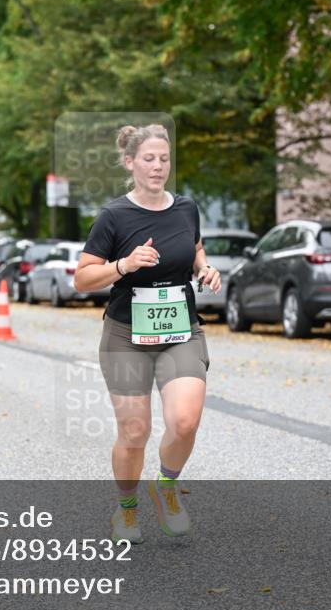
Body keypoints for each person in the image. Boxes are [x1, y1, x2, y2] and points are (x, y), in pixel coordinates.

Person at [73, 124, 221, 544]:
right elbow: (82, 279)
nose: (158, 167)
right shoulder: (113, 216)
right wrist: (124, 265)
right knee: (135, 433)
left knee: (185, 421)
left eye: (164, 159)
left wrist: (204, 269)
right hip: (125, 334)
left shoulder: (187, 208)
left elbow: (193, 249)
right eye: (149, 159)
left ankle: (167, 487)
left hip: (180, 330)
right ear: (130, 163)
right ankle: (126, 510)